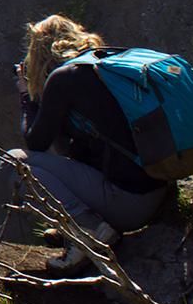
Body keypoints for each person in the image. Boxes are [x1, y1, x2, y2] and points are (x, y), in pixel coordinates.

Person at [10, 14, 172, 272]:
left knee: (12, 162)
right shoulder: (104, 65)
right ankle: (82, 223)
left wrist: (26, 96)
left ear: (38, 53)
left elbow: (35, 142)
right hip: (157, 190)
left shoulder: (63, 79)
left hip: (129, 205)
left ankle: (89, 230)